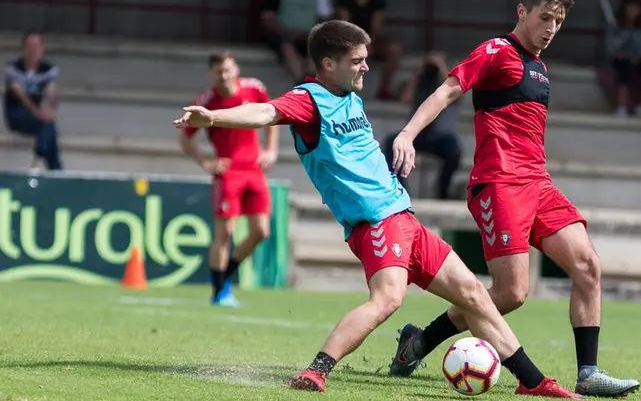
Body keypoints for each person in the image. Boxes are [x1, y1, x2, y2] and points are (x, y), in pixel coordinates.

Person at [174, 20, 582, 398]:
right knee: (388, 299)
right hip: (375, 224)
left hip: (403, 218)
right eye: (357, 61)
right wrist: (214, 119)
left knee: (476, 294)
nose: (366, 68)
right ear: (329, 64)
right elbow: (265, 112)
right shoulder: (309, 99)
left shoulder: (348, 97)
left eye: (366, 59)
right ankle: (316, 370)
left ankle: (533, 382)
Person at [388, 0, 641, 398]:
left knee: (588, 266)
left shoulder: (540, 69)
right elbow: (448, 91)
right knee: (511, 293)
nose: (551, 28)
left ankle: (589, 373)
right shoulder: (496, 51)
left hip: (537, 183)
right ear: (522, 12)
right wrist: (407, 134)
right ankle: (419, 342)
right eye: (545, 17)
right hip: (499, 184)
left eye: (558, 21)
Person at [179, 51, 277, 307]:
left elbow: (272, 117)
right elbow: (185, 136)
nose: (224, 76)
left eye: (228, 70)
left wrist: (270, 150)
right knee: (226, 233)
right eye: (219, 72)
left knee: (261, 232)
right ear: (212, 74)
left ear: (236, 69)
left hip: (254, 170)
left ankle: (226, 277)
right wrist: (206, 163)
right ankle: (218, 292)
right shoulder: (207, 100)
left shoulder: (254, 89)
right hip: (229, 173)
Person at [383, 51, 462, 199]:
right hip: (418, 136)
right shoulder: (419, 84)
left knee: (454, 151)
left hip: (440, 137)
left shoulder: (447, 88)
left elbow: (456, 95)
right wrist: (417, 75)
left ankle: (443, 191)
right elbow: (404, 99)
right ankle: (400, 190)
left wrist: (442, 67)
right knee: (391, 143)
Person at [3, 32, 61, 171]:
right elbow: (20, 94)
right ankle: (54, 168)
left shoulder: (49, 70)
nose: (33, 50)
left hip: (36, 118)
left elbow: (52, 91)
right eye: (29, 46)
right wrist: (38, 112)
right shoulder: (13, 68)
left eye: (36, 46)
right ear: (24, 49)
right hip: (16, 114)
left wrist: (50, 110)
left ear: (42, 49)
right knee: (47, 125)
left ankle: (44, 162)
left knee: (49, 128)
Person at [606, 0, 641, 117]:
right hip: (620, 58)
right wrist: (626, 29)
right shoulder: (615, 25)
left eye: (635, 8)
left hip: (639, 58)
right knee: (624, 69)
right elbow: (611, 47)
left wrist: (637, 56)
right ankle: (622, 106)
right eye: (630, 8)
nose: (632, 11)